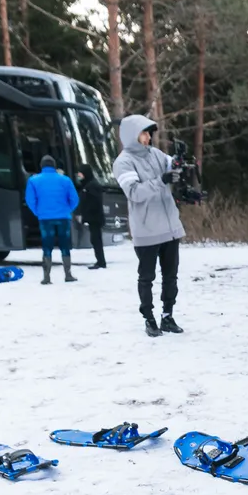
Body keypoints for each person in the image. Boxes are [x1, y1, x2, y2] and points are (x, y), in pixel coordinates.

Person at [113, 115, 186, 337]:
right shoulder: (123, 162)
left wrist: (179, 160)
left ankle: (167, 316)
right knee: (147, 277)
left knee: (171, 276)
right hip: (146, 230)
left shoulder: (155, 154)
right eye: (144, 133)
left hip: (170, 226)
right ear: (132, 136)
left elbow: (171, 166)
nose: (148, 137)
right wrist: (161, 181)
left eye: (149, 133)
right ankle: (149, 318)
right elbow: (134, 192)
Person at [25, 155, 80, 285]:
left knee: (47, 246)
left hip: (45, 218)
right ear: (54, 166)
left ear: (41, 166)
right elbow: (75, 199)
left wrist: (38, 212)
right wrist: (67, 209)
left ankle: (46, 277)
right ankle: (68, 274)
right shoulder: (65, 180)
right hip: (63, 217)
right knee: (64, 245)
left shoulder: (34, 180)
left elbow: (30, 200)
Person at [77, 164, 107, 270]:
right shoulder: (87, 185)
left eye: (80, 173)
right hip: (93, 218)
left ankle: (101, 261)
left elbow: (94, 203)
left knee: (96, 239)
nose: (79, 175)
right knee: (95, 239)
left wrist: (86, 213)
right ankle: (100, 260)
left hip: (95, 218)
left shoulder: (92, 186)